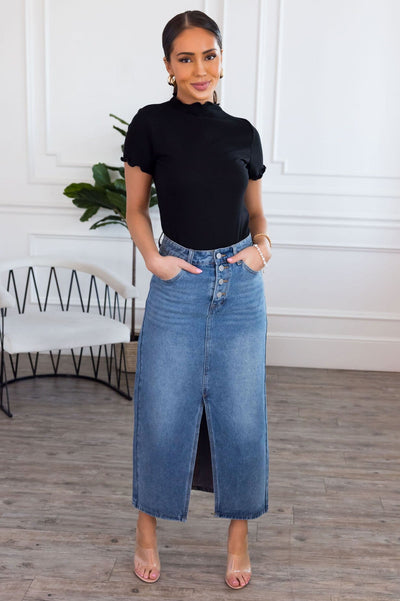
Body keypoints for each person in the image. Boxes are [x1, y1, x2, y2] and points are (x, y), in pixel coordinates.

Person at [122, 10, 271, 590]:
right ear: (168, 66)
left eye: (209, 55)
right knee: (161, 412)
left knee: (241, 416)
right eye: (185, 58)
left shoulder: (243, 133)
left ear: (221, 60)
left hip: (239, 286)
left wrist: (262, 248)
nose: (200, 68)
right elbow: (136, 209)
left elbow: (256, 212)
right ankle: (146, 530)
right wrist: (154, 261)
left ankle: (238, 537)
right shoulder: (150, 125)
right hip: (177, 283)